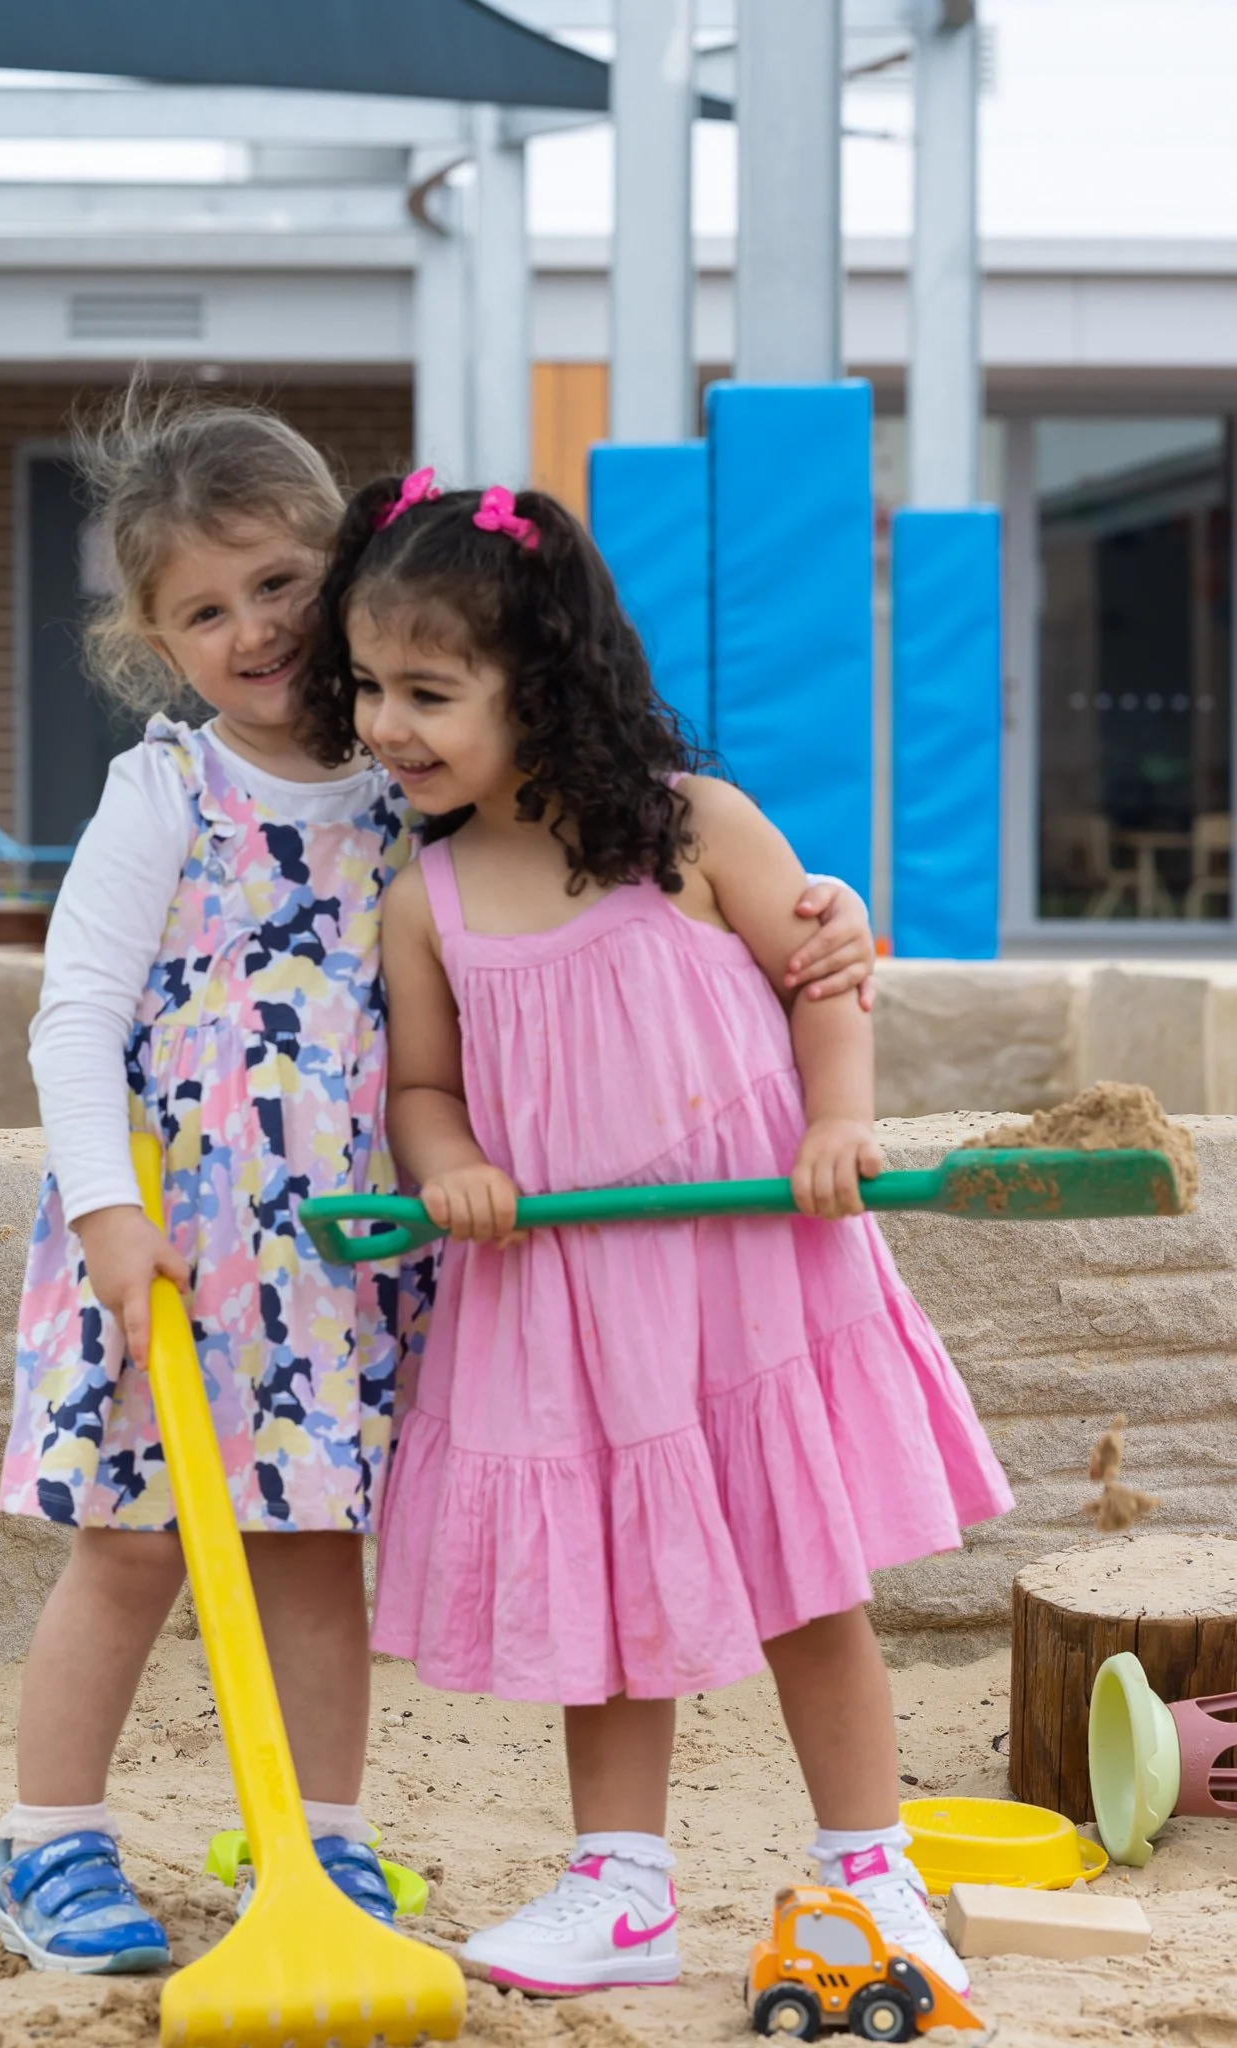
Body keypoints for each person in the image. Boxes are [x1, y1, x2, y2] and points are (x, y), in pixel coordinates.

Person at [0, 392, 884, 1975]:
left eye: (279, 585)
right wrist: (106, 1216)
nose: (255, 630)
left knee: (316, 1540)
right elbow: (75, 1015)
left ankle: (321, 1844)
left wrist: (823, 908)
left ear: (346, 573)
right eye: (203, 611)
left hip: (354, 1256)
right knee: (132, 1540)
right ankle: (50, 1842)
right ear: (155, 640)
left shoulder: (423, 786)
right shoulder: (167, 793)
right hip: (179, 1245)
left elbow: (625, 888)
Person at [301, 471, 1014, 2001]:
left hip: (746, 1282)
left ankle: (870, 1874)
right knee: (611, 1608)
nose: (384, 725)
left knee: (804, 1586)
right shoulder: (427, 896)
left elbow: (826, 968)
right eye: (367, 688)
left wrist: (836, 1122)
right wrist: (451, 1167)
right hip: (565, 1300)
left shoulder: (693, 830)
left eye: (427, 690)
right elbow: (423, 1085)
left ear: (540, 682)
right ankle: (619, 1886)